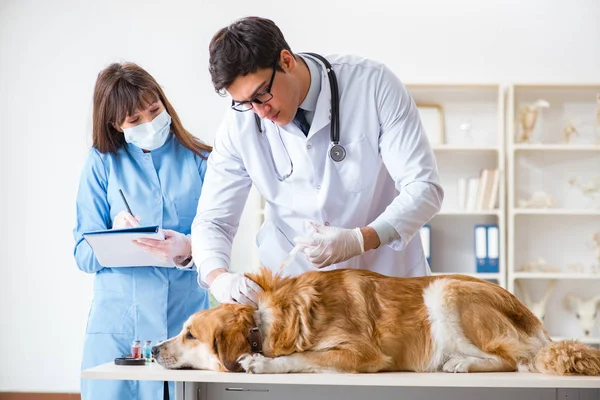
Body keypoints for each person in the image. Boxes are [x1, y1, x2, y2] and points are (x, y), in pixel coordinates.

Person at [192, 16, 444, 306]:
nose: (260, 112)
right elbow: (213, 220)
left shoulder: (372, 84)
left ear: (286, 60)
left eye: (262, 94)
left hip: (384, 280)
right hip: (297, 295)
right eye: (245, 103)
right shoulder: (238, 124)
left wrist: (361, 239)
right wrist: (219, 277)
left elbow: (424, 187)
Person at [73, 62, 212, 400]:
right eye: (134, 120)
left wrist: (190, 247)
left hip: (184, 324)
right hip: (119, 330)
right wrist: (111, 237)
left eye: (154, 109)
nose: (149, 123)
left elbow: (219, 243)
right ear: (115, 124)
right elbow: (82, 254)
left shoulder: (201, 158)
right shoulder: (101, 162)